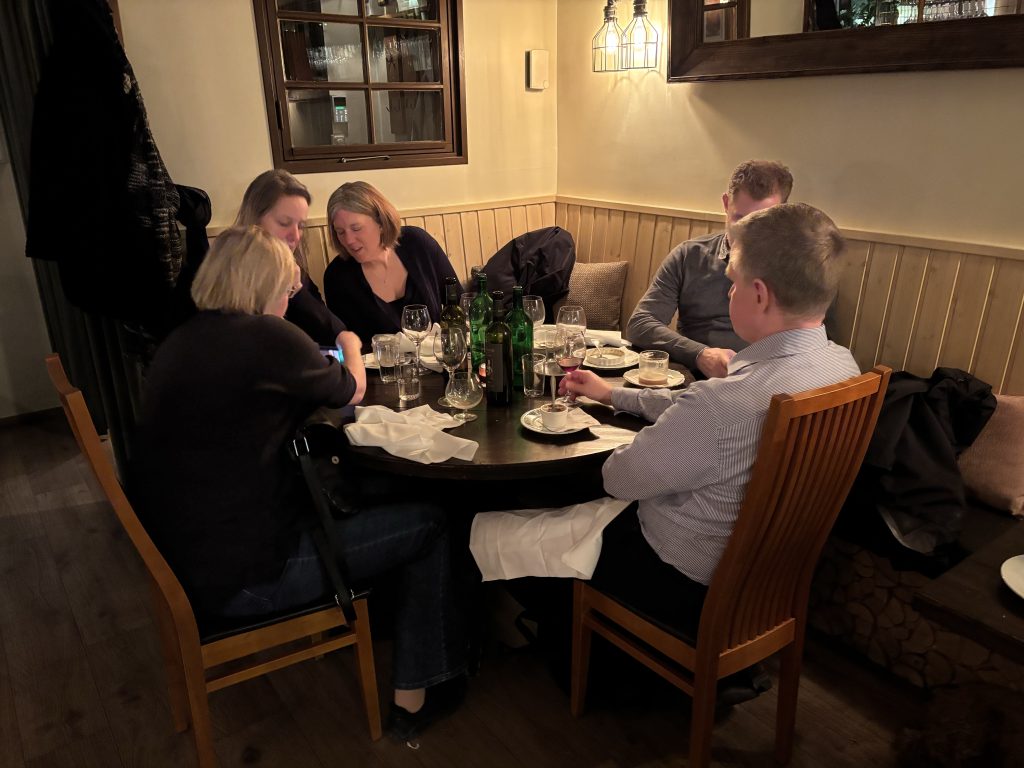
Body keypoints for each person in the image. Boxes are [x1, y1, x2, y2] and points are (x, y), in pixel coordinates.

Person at [135, 226, 465, 741]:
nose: (290, 301)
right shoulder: (266, 336)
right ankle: (418, 692)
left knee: (376, 491)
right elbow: (349, 392)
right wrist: (349, 342)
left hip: (189, 562)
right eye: (287, 289)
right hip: (250, 579)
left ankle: (401, 626)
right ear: (264, 283)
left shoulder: (183, 340)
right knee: (431, 523)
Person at [560, 202, 860, 653]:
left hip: (685, 585)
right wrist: (614, 395)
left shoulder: (722, 404)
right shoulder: (844, 368)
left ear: (759, 295)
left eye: (733, 282)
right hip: (774, 579)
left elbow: (618, 480)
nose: (729, 292)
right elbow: (702, 413)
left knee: (560, 513)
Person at [626, 160, 794, 379]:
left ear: (781, 214)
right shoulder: (689, 255)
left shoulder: (797, 268)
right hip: (693, 378)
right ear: (726, 203)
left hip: (765, 382)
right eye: (740, 219)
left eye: (761, 222)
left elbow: (816, 342)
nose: (748, 234)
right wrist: (700, 354)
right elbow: (640, 324)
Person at [322, 181, 459, 347]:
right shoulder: (337, 277)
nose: (349, 240)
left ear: (381, 222)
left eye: (356, 228)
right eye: (340, 232)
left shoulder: (418, 244)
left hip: (439, 360)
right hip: (379, 365)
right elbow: (345, 345)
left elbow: (459, 303)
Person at [235, 169, 348, 347]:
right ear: (255, 222)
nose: (295, 236)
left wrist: (296, 290)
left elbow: (335, 333)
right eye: (284, 223)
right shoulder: (231, 278)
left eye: (300, 226)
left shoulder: (294, 270)